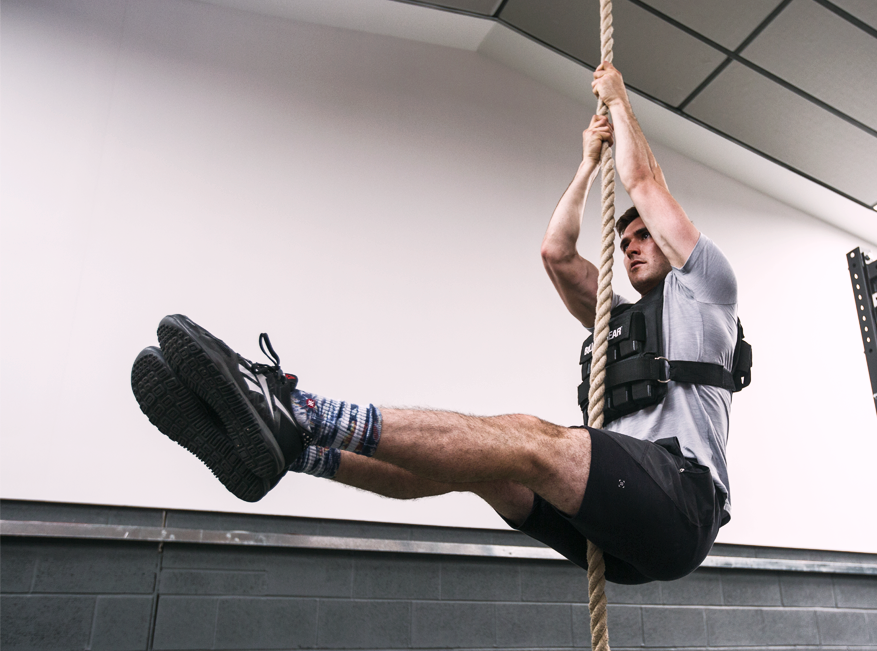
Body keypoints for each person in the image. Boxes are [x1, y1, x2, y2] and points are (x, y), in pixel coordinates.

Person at [132, 63, 738, 585]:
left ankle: (300, 410)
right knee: (488, 471)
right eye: (623, 238)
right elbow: (556, 253)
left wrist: (620, 100)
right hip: (616, 533)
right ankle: (297, 449)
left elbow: (642, 182)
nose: (631, 246)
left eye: (643, 237)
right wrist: (585, 168)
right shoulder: (618, 318)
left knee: (528, 438)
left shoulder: (707, 289)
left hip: (680, 503)